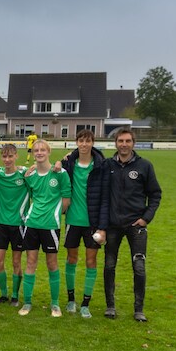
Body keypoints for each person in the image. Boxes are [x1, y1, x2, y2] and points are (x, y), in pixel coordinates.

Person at [96, 127, 163, 322]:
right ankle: (110, 306)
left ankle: (138, 309)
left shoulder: (145, 166)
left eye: (127, 141)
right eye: (120, 141)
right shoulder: (107, 165)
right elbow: (86, 162)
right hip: (113, 225)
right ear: (115, 143)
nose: (124, 145)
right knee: (109, 265)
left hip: (136, 226)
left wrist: (146, 218)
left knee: (139, 266)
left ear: (133, 143)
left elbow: (155, 194)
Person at [19, 139, 70, 317]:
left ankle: (55, 304)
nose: (39, 153)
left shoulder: (60, 173)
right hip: (32, 224)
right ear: (33, 154)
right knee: (30, 263)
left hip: (50, 225)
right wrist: (28, 170)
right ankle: (27, 303)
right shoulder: (30, 176)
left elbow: (66, 200)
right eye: (36, 150)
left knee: (52, 263)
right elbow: (31, 195)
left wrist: (54, 214)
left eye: (42, 150)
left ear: (48, 152)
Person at [59, 130, 105, 318]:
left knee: (91, 261)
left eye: (88, 141)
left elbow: (104, 197)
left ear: (93, 143)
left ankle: (86, 303)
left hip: (92, 223)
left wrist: (103, 225)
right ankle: (71, 300)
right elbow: (53, 170)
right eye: (81, 141)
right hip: (72, 220)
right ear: (76, 142)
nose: (84, 144)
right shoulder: (69, 163)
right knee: (71, 259)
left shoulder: (101, 166)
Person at [0, 144, 29, 306]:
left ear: (16, 156)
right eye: (4, 157)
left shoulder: (25, 174)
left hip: (19, 224)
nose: (7, 160)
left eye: (10, 156)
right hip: (0, 223)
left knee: (16, 262)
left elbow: (42, 171)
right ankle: (4, 294)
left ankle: (15, 296)